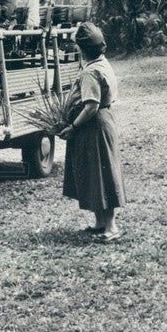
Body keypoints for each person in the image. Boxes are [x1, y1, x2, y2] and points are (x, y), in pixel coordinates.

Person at [58, 22, 126, 243]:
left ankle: (111, 226)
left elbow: (90, 105)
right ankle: (100, 222)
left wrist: (73, 126)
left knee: (101, 175)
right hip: (102, 122)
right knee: (95, 174)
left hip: (93, 125)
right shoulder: (103, 63)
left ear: (82, 49)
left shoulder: (91, 72)